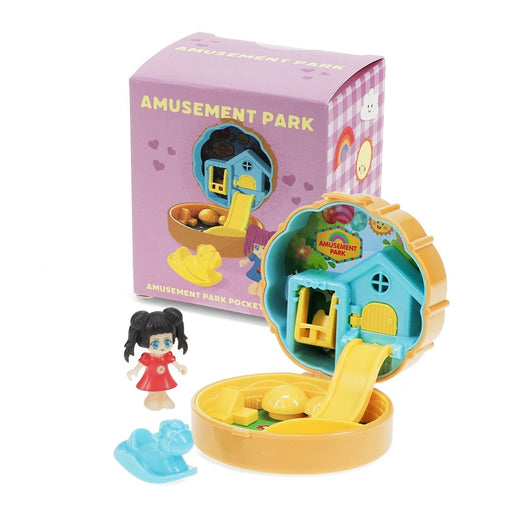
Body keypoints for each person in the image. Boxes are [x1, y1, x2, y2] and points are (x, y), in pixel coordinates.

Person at [124, 308, 188, 410]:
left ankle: (164, 397)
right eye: (155, 344)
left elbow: (174, 362)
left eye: (167, 342)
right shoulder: (147, 357)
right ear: (145, 342)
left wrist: (180, 367)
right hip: (151, 377)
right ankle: (151, 398)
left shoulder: (167, 355)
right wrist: (134, 370)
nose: (162, 347)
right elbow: (140, 365)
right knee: (153, 388)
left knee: (163, 387)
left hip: (163, 376)